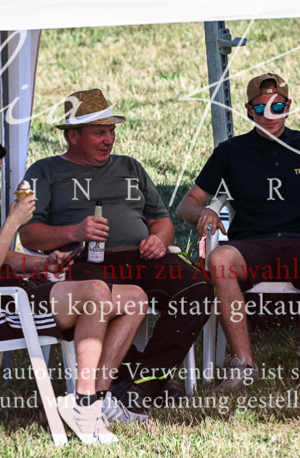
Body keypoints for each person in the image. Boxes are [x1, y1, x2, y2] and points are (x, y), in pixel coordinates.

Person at [0, 128, 150, 445]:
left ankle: (98, 397)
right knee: (95, 293)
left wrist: (42, 263)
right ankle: (83, 401)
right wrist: (12, 222)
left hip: (17, 296)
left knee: (135, 298)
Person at [19, 89, 213, 411]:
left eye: (111, 131)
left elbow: (162, 220)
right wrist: (75, 231)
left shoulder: (130, 167)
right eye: (99, 132)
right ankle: (134, 382)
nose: (109, 140)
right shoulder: (46, 172)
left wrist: (159, 240)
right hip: (86, 261)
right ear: (73, 135)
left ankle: (145, 382)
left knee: (198, 289)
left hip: (144, 256)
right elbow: (29, 236)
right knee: (100, 300)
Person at [176, 73, 300, 388]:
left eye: (277, 106)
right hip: (250, 244)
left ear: (288, 106)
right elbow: (186, 205)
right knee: (219, 260)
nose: (269, 115)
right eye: (260, 109)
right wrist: (204, 211)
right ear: (249, 111)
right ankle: (243, 363)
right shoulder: (230, 151)